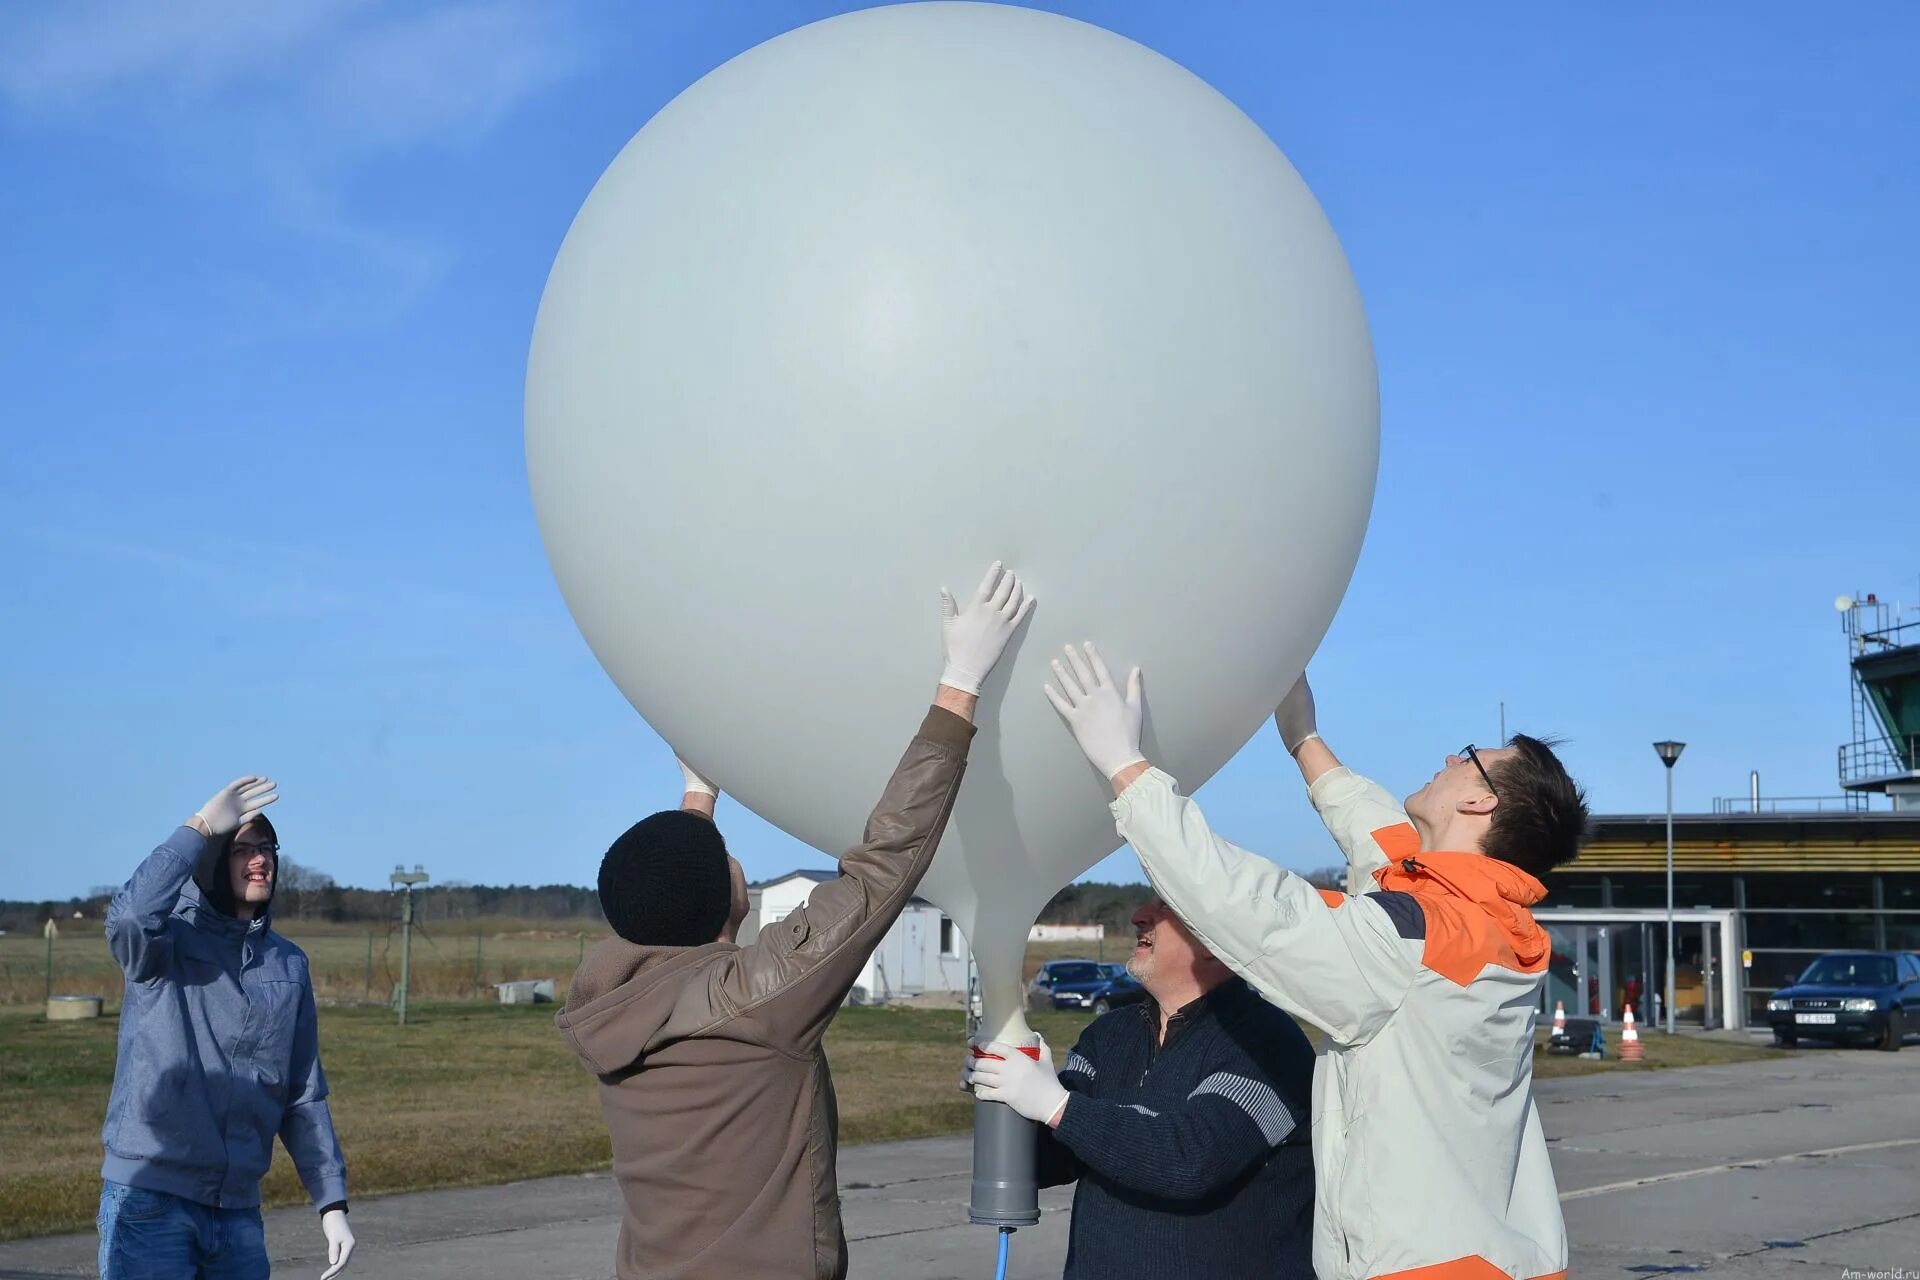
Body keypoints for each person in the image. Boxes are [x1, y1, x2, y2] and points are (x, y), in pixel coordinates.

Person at [1045, 645, 1588, 1280]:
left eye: (1471, 758)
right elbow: (1384, 840)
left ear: (1480, 804)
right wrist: (1303, 738)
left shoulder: (1417, 941)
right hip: (1483, 1257)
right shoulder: (1481, 919)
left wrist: (1123, 764)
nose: (1450, 757)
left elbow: (1251, 909)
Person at [556, 562, 1034, 1280]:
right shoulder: (758, 1001)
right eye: (725, 859)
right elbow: (884, 865)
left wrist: (697, 794)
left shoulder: (614, 1004)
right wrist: (959, 684)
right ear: (723, 896)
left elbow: (673, 898)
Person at [965, 896, 1315, 1279]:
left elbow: (1191, 1161)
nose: (1138, 918)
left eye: (1166, 907)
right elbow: (1055, 1161)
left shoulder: (1266, 1042)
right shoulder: (1110, 1034)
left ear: (1216, 942)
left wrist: (1056, 1105)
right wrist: (1004, 1104)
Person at [101, 776, 354, 1280]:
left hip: (238, 1213)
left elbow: (301, 1093)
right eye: (242, 850)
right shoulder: (166, 945)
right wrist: (197, 828)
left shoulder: (288, 964)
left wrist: (331, 1202)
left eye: (267, 849)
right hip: (151, 1199)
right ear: (212, 863)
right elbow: (131, 917)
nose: (261, 860)